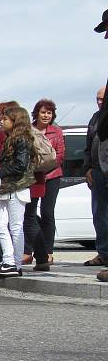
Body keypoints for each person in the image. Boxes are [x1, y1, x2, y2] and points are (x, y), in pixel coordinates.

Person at [0, 106, 36, 279]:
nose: (1, 121)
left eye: (5, 119)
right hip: (8, 188)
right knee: (2, 225)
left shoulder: (21, 139)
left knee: (15, 226)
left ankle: (12, 263)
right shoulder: (11, 139)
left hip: (17, 187)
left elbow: (20, 165)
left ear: (15, 120)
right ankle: (10, 262)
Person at [22, 99, 65, 271]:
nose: (46, 115)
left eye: (49, 113)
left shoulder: (57, 132)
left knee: (47, 213)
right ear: (36, 113)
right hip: (32, 177)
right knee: (29, 214)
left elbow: (60, 156)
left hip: (52, 175)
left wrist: (45, 169)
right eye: (43, 112)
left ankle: (48, 251)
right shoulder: (27, 130)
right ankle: (28, 250)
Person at [84, 85, 108, 278]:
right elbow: (88, 145)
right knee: (99, 215)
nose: (100, 102)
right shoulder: (95, 118)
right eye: (98, 99)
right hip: (97, 170)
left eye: (103, 98)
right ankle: (103, 254)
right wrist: (88, 168)